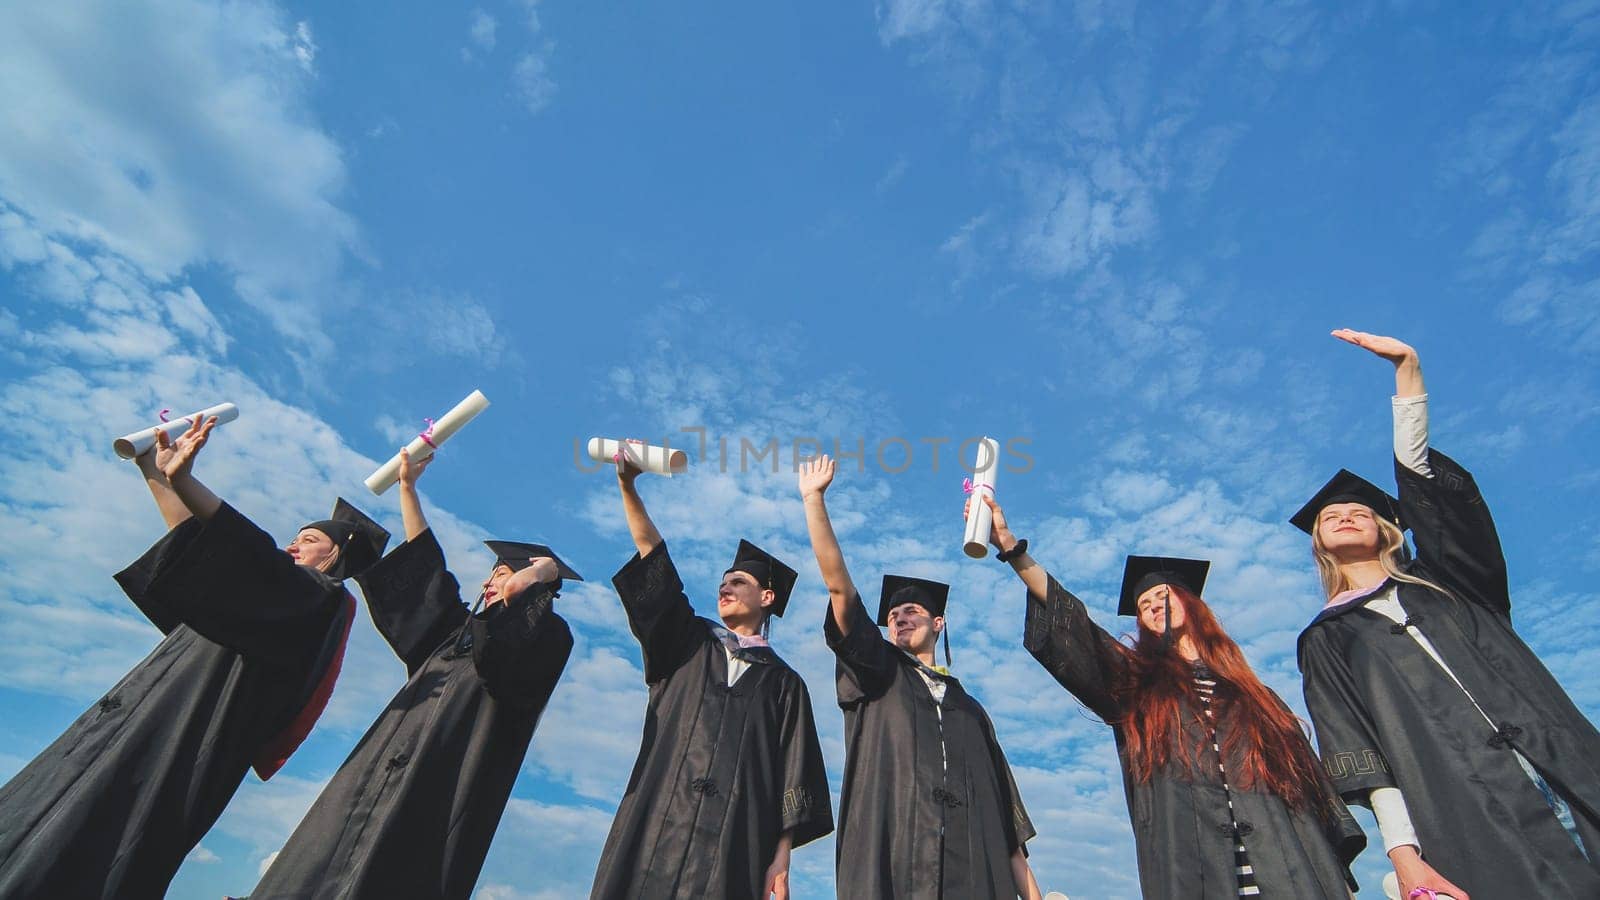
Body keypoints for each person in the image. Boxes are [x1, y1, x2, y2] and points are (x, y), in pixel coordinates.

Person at [0, 415, 382, 898]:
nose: (292, 544)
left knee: (79, 852)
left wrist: (184, 479)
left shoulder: (319, 603)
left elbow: (245, 552)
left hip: (172, 746)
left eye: (308, 540)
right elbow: (202, 549)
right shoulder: (261, 595)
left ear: (336, 556)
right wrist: (153, 472)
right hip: (129, 722)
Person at [1295, 329, 1600, 900]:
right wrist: (1405, 859)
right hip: (1470, 814)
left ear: (1388, 528)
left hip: (1574, 772)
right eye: (1330, 515)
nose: (1344, 515)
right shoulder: (1328, 639)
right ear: (1318, 543)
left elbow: (1442, 513)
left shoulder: (1451, 585)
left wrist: (1408, 375)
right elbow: (1361, 752)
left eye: (1360, 509)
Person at [979, 487, 1362, 898]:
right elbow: (1076, 627)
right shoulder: (1137, 688)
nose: (1153, 606)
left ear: (1192, 603)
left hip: (1288, 863)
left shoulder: (1257, 695)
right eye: (1143, 605)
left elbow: (1309, 784)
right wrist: (1013, 550)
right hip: (1190, 866)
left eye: (1163, 595)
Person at [248, 448, 575, 899]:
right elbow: (427, 572)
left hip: (441, 780)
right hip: (379, 762)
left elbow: (507, 647)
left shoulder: (550, 636)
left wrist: (536, 575)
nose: (487, 583)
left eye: (498, 574)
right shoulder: (455, 630)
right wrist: (408, 488)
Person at [590, 453, 832, 900]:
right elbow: (654, 562)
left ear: (767, 595)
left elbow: (792, 774)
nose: (726, 587)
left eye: (738, 581)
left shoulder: (784, 683)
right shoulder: (688, 642)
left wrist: (780, 860)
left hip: (734, 846)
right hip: (654, 827)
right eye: (723, 581)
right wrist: (629, 487)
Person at [799, 455, 1040, 900]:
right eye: (892, 614)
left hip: (971, 875)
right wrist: (814, 501)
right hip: (895, 864)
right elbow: (839, 589)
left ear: (939, 623)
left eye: (912, 611)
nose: (900, 618)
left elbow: (1008, 827)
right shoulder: (880, 673)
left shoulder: (970, 710)